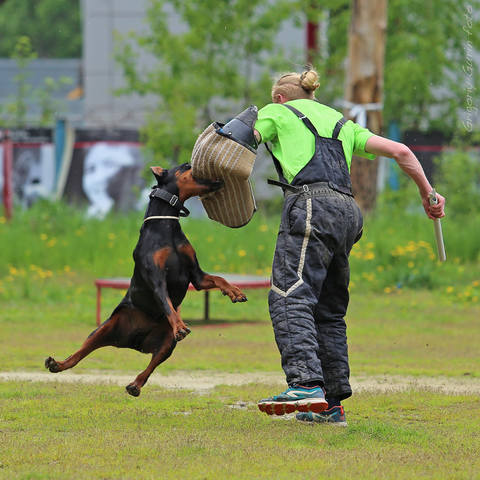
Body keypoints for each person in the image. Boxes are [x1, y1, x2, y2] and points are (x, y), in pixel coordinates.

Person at [254, 67, 445, 425]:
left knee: (289, 293)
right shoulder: (340, 122)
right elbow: (402, 151)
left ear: (279, 97)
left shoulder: (276, 111)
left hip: (311, 205)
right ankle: (330, 404)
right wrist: (428, 194)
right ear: (311, 95)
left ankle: (305, 384)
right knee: (328, 308)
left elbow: (245, 136)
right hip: (347, 211)